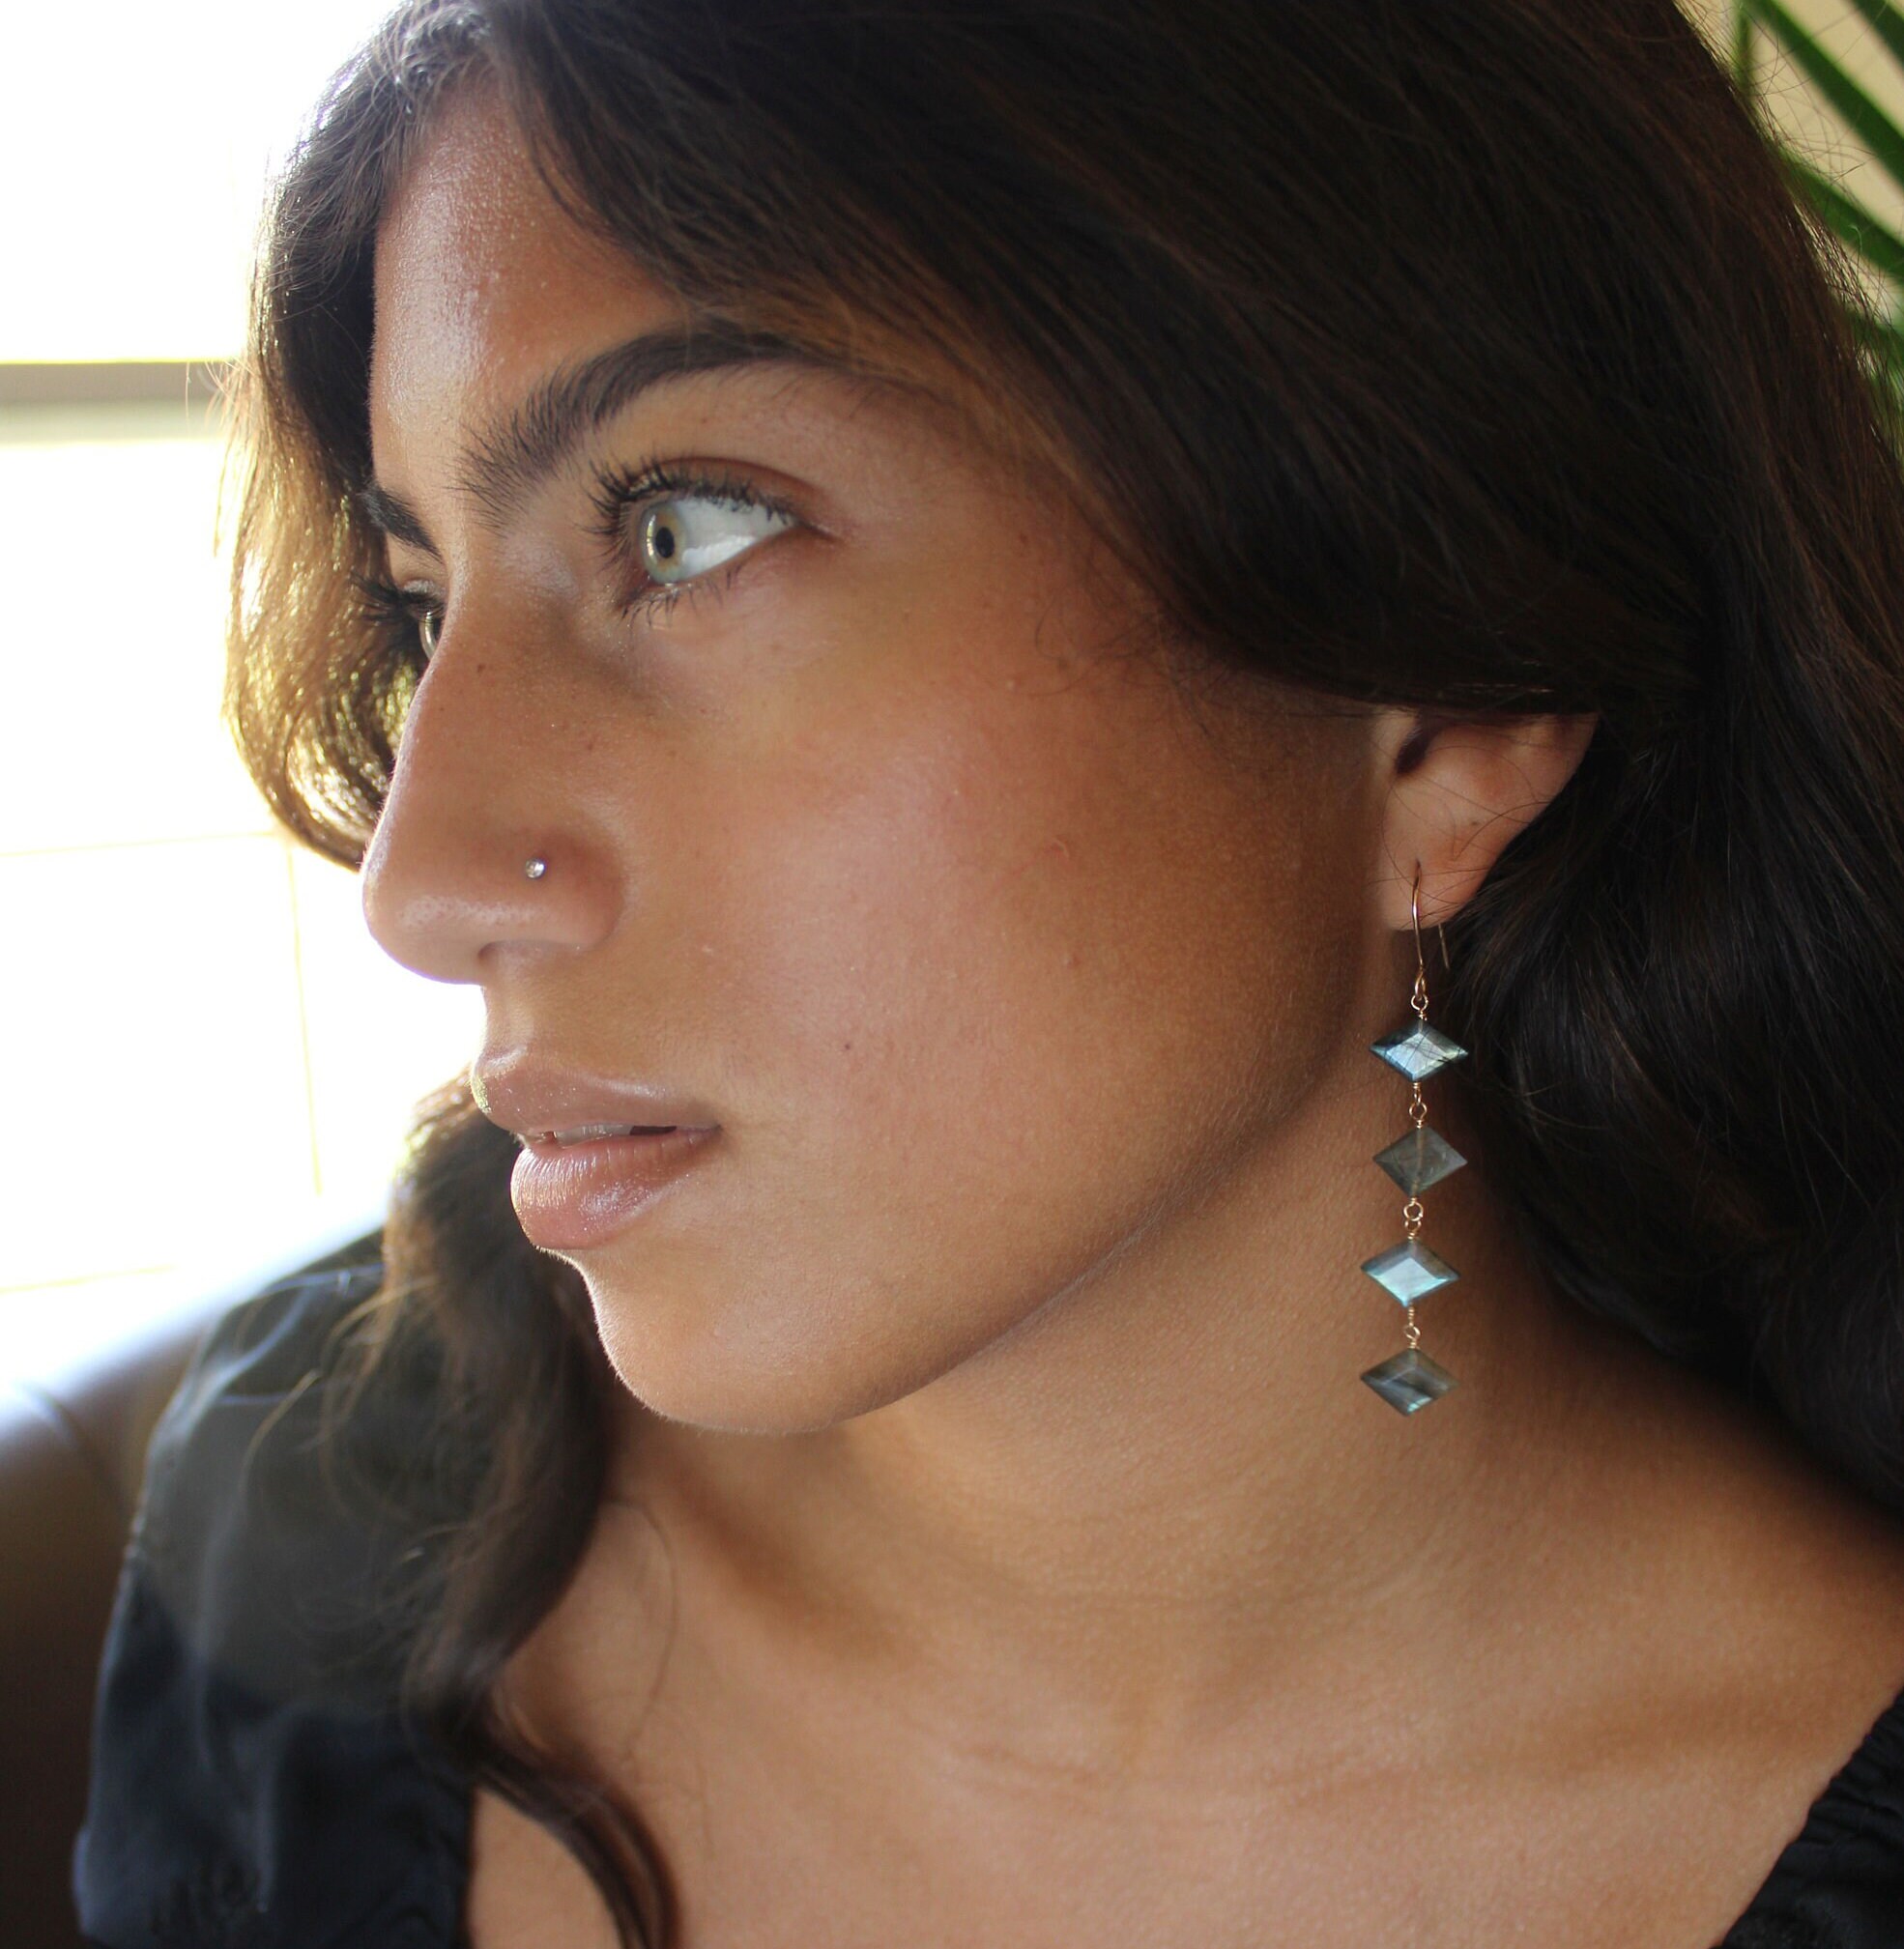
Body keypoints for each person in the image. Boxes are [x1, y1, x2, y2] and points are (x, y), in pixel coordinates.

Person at [72, 0, 1904, 1941]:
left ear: (1444, 708)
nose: (420, 884)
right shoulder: (328, 1509)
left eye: (686, 531)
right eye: (425, 602)